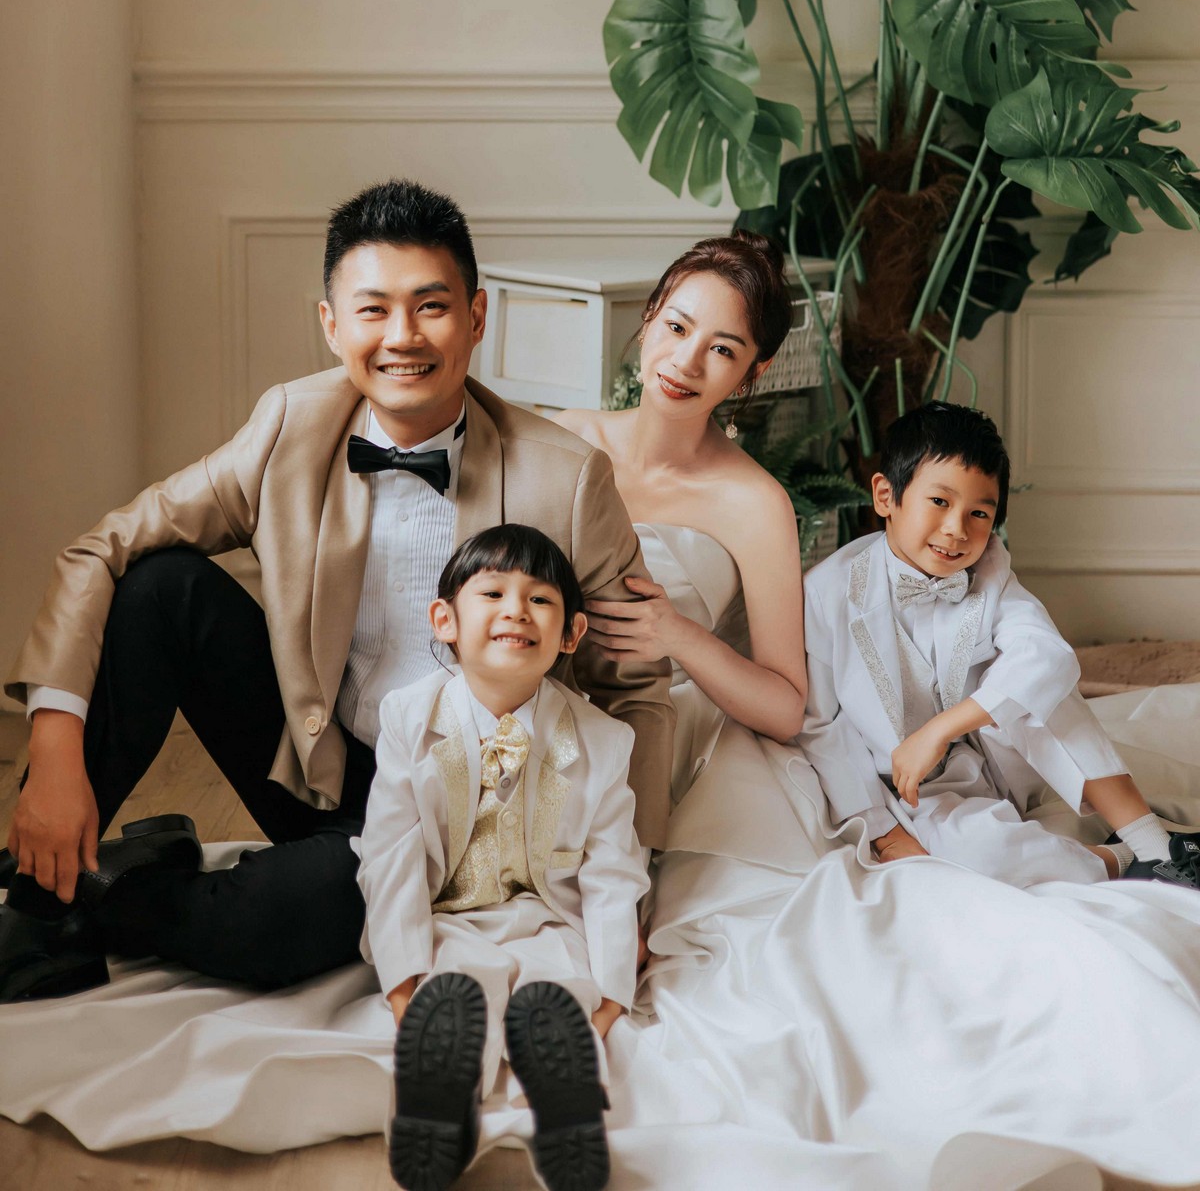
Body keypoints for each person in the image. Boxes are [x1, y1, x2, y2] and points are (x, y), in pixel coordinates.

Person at [1, 179, 673, 1002]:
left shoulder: (567, 479)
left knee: (267, 930)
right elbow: (100, 548)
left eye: (431, 307)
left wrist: (632, 885)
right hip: (318, 764)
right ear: (330, 325)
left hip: (453, 810)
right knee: (160, 589)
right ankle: (40, 904)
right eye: (373, 310)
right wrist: (54, 755)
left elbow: (637, 692)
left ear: (476, 317)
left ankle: (111, 885)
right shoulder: (290, 425)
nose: (402, 337)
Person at [801, 401, 1200, 889]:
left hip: (1001, 759)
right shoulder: (826, 592)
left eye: (979, 513)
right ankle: (1114, 859)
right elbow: (821, 727)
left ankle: (1158, 847)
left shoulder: (988, 569)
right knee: (978, 858)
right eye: (939, 501)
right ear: (886, 496)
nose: (957, 530)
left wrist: (942, 728)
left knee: (1041, 682)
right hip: (915, 794)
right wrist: (884, 833)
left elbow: (1047, 655)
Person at [358, 524, 647, 1191]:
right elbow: (391, 853)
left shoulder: (604, 741)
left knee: (559, 990)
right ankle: (442, 1101)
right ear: (446, 621)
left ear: (570, 634)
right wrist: (403, 991)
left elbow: (612, 874)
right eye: (492, 594)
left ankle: (567, 1114)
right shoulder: (407, 717)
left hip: (549, 914)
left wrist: (609, 1001)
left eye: (540, 600)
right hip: (449, 912)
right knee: (456, 987)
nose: (517, 610)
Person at [553, 230, 808, 804]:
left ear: (753, 372)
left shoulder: (756, 504)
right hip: (538, 719)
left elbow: (785, 710)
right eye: (677, 327)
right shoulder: (567, 437)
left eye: (723, 350)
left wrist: (677, 636)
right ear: (649, 318)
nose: (686, 362)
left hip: (670, 749)